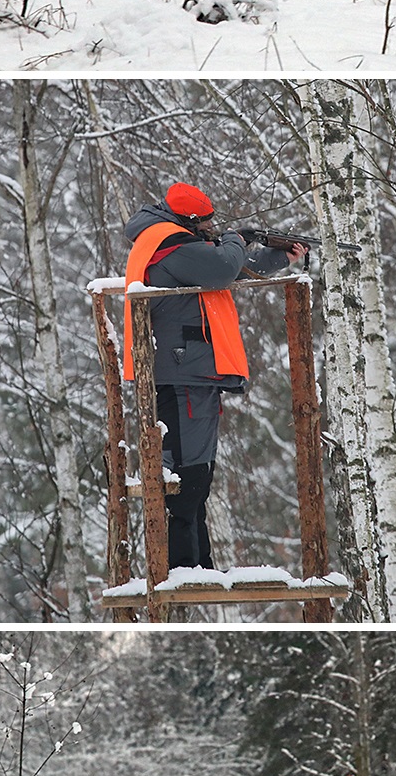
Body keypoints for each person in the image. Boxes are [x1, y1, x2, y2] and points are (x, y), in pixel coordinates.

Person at [123, 179, 306, 572]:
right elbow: (223, 268)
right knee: (188, 477)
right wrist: (237, 238)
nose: (210, 226)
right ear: (189, 219)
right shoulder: (171, 244)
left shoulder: (168, 242)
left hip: (187, 371)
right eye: (205, 221)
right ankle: (183, 568)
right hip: (186, 373)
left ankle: (195, 565)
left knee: (194, 474)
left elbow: (229, 270)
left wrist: (279, 258)